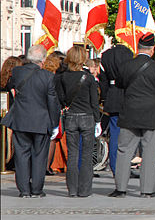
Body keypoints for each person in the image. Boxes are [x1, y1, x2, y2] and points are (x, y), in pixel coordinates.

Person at [109, 34, 155, 198]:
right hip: (153, 115)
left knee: (124, 151)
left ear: (138, 48)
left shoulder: (127, 66)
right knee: (150, 154)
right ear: (152, 50)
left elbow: (120, 84)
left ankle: (121, 188)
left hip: (130, 113)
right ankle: (147, 190)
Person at [1, 45, 60, 197]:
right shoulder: (48, 76)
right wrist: (54, 123)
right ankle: (36, 189)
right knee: (39, 156)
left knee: (21, 154)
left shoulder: (17, 72)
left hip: (21, 120)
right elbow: (52, 102)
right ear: (43, 59)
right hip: (41, 121)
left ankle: (24, 190)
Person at [55, 46, 101, 197]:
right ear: (83, 59)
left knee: (72, 154)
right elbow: (94, 101)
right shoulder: (88, 78)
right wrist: (97, 121)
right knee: (87, 155)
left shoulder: (63, 77)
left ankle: (72, 190)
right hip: (87, 116)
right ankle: (85, 190)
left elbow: (61, 98)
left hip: (71, 117)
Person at [99, 41, 133, 174]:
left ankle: (114, 165)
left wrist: (105, 97)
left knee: (114, 133)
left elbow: (103, 80)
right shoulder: (129, 54)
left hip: (112, 94)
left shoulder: (105, 55)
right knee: (127, 135)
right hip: (126, 94)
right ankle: (124, 166)